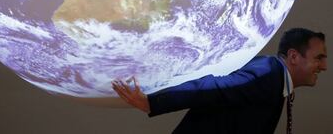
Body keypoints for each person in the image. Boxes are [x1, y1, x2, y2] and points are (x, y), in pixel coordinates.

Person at [112, 28, 327, 134]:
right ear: (293, 57)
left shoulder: (276, 80)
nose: (324, 66)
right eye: (319, 58)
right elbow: (212, 87)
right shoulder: (268, 74)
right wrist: (152, 102)